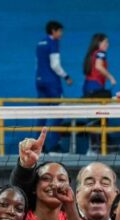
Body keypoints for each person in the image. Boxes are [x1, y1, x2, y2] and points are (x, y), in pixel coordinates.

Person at [36, 21, 72, 153]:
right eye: (60, 31)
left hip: (39, 80)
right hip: (51, 82)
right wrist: (66, 76)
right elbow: (55, 65)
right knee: (59, 111)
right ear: (53, 30)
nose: (61, 34)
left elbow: (38, 63)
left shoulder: (40, 43)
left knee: (42, 113)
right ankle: (54, 145)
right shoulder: (53, 43)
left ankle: (38, 145)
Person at [82, 33, 115, 98]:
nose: (107, 45)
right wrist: (111, 78)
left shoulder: (91, 54)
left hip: (87, 85)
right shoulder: (100, 52)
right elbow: (99, 66)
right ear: (98, 43)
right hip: (96, 86)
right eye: (105, 42)